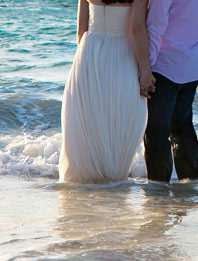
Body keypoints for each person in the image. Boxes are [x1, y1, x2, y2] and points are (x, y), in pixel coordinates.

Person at [59, 0, 154, 184]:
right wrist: (146, 71)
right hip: (121, 54)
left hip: (89, 52)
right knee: (119, 116)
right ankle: (113, 180)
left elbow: (81, 32)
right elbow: (136, 30)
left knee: (90, 118)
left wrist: (87, 59)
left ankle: (87, 180)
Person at [143, 0, 198, 182]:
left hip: (165, 63)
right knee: (182, 127)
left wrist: (146, 68)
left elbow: (155, 24)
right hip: (192, 63)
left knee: (156, 130)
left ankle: (158, 189)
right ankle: (190, 185)